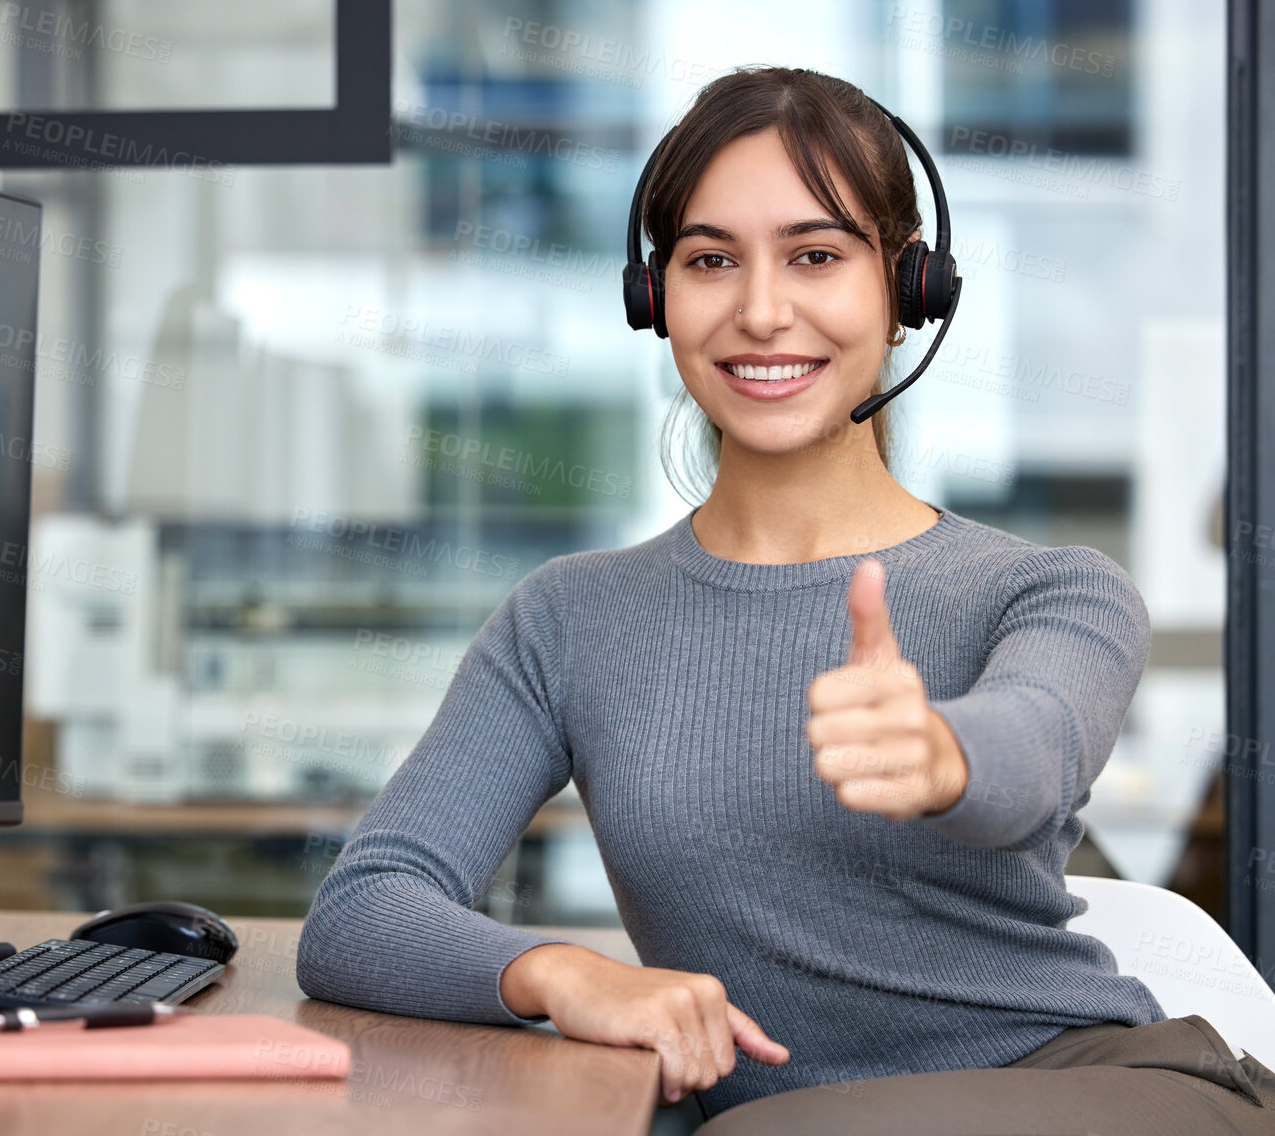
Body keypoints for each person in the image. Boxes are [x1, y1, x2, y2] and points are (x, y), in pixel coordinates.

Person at [295, 65, 1275, 1134]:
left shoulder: (1051, 590)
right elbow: (360, 912)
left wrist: (944, 753)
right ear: (653, 299)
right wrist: (563, 971)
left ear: (907, 294)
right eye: (711, 260)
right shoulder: (568, 619)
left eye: (817, 256)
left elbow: (1034, 750)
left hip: (1111, 1094)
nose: (763, 312)